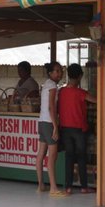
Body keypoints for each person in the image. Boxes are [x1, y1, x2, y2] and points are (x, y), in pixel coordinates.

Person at [56, 63, 97, 194]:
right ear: (80, 76)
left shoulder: (61, 92)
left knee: (69, 157)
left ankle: (68, 187)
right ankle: (84, 186)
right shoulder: (81, 93)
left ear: (68, 75)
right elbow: (98, 101)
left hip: (65, 129)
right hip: (79, 129)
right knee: (81, 157)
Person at [35, 61, 65, 196]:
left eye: (60, 70)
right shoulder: (52, 86)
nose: (60, 73)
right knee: (52, 156)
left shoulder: (46, 84)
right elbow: (51, 107)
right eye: (57, 71)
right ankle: (53, 188)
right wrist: (55, 126)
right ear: (50, 73)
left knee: (40, 155)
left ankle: (41, 185)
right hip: (48, 123)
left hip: (41, 122)